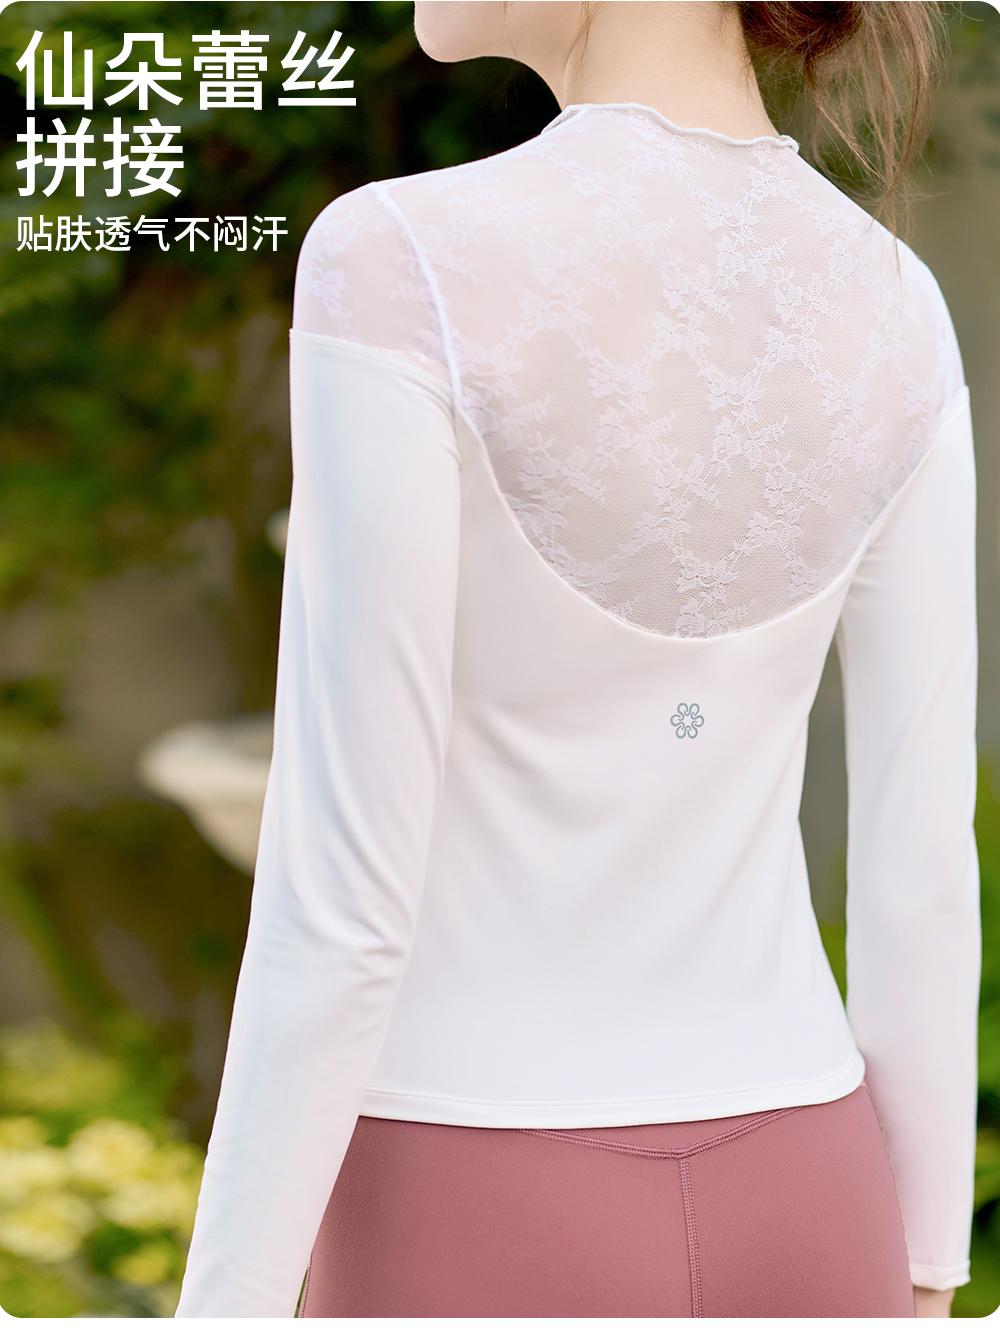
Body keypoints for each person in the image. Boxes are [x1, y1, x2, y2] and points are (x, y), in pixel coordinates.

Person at [174, 1, 979, 1318]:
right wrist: (926, 1267)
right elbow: (920, 868)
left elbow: (340, 895)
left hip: (470, 1186)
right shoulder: (900, 303)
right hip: (816, 1191)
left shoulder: (400, 260)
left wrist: (226, 1303)